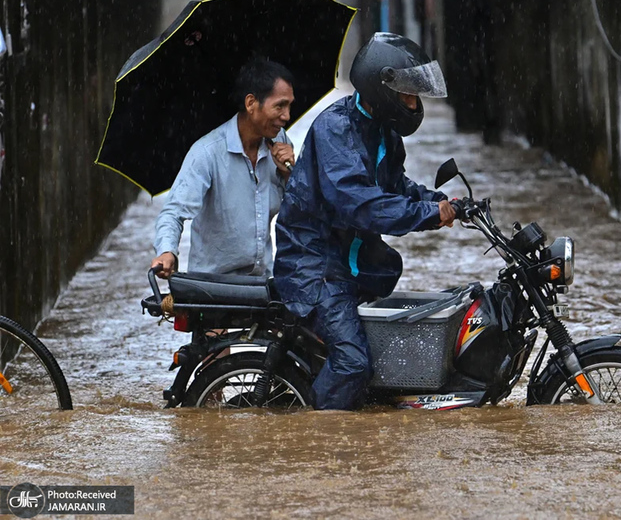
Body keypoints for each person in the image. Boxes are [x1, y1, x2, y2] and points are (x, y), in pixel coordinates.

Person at [273, 32, 456, 410]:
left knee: (392, 356)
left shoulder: (384, 131)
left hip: (354, 261)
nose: (413, 103)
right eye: (408, 94)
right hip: (316, 265)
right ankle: (318, 438)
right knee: (355, 364)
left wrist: (438, 201)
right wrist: (427, 215)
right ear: (382, 86)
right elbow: (360, 203)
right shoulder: (335, 129)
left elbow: (394, 184)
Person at [151, 56, 295, 278]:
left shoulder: (281, 144)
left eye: (289, 106)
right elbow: (174, 212)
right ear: (250, 104)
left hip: (262, 282)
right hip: (213, 286)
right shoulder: (207, 153)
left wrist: (289, 174)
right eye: (279, 106)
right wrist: (167, 251)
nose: (286, 116)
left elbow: (300, 213)